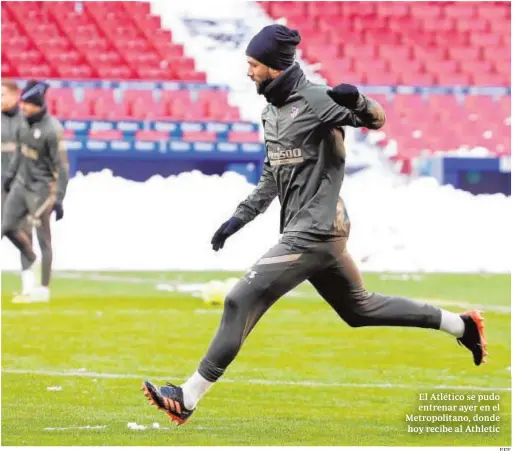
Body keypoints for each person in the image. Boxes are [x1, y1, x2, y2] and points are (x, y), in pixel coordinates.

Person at [141, 25, 487, 425]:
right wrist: (238, 218)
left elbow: (376, 120)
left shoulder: (317, 98)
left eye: (253, 64)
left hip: (316, 229)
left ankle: (188, 396)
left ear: (274, 66)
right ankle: (461, 326)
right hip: (311, 231)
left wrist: (357, 98)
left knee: (240, 299)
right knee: (360, 310)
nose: (248, 71)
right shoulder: (270, 111)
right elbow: (272, 176)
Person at [2, 80, 69, 303]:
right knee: (7, 226)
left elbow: (61, 166)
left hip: (41, 189)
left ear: (37, 104)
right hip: (21, 184)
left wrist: (59, 198)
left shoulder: (52, 130)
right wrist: (10, 179)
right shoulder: (24, 125)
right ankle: (30, 256)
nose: (23, 107)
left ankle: (43, 288)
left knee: (43, 238)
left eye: (27, 103)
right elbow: (20, 154)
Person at [1, 79, 35, 295]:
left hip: (21, 185)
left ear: (15, 95)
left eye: (3, 94)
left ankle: (29, 286)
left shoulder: (28, 121)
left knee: (24, 231)